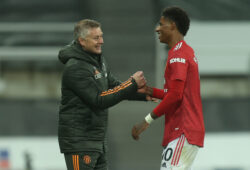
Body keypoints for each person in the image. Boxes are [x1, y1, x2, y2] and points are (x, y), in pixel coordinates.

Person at [58, 19, 148, 170]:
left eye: (101, 36)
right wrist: (132, 83)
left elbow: (115, 86)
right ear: (82, 41)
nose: (102, 41)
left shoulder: (97, 60)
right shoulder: (75, 67)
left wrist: (145, 95)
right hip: (79, 143)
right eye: (96, 38)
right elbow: (99, 99)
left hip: (97, 141)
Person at [132, 6, 205, 170]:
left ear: (172, 25)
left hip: (183, 129)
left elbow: (176, 95)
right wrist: (151, 91)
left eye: (161, 24)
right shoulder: (182, 52)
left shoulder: (178, 55)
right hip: (182, 129)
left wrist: (147, 120)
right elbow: (176, 93)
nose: (157, 28)